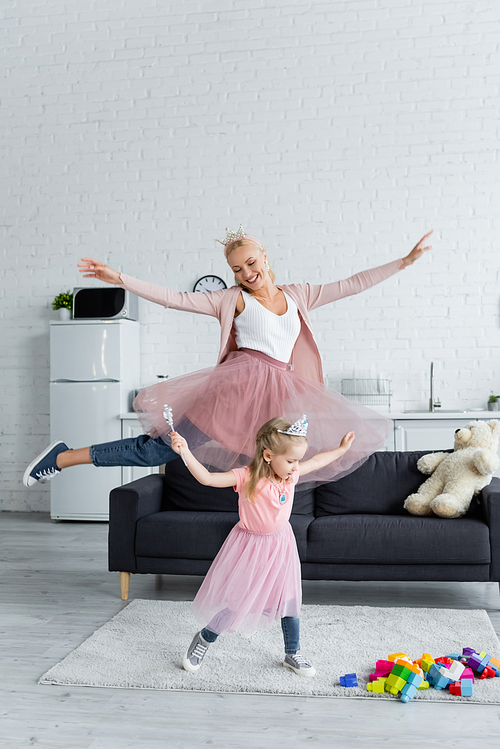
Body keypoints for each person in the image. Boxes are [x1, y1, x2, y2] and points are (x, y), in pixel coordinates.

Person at [23, 227, 432, 488]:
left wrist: (404, 262)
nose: (246, 273)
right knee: (157, 451)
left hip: (276, 395)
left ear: (265, 257)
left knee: (277, 466)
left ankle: (260, 542)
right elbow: (175, 299)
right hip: (231, 395)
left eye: (251, 263)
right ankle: (62, 456)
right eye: (237, 269)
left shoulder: (299, 295)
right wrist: (121, 279)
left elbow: (353, 284)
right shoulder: (232, 300)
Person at [170, 414, 356, 676]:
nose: (295, 467)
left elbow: (317, 461)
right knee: (238, 600)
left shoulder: (290, 475)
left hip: (281, 543)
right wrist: (186, 452)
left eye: (297, 461)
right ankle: (204, 638)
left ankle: (293, 652)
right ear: (269, 456)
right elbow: (208, 479)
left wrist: (341, 449)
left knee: (289, 598)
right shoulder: (246, 477)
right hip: (251, 547)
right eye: (291, 461)